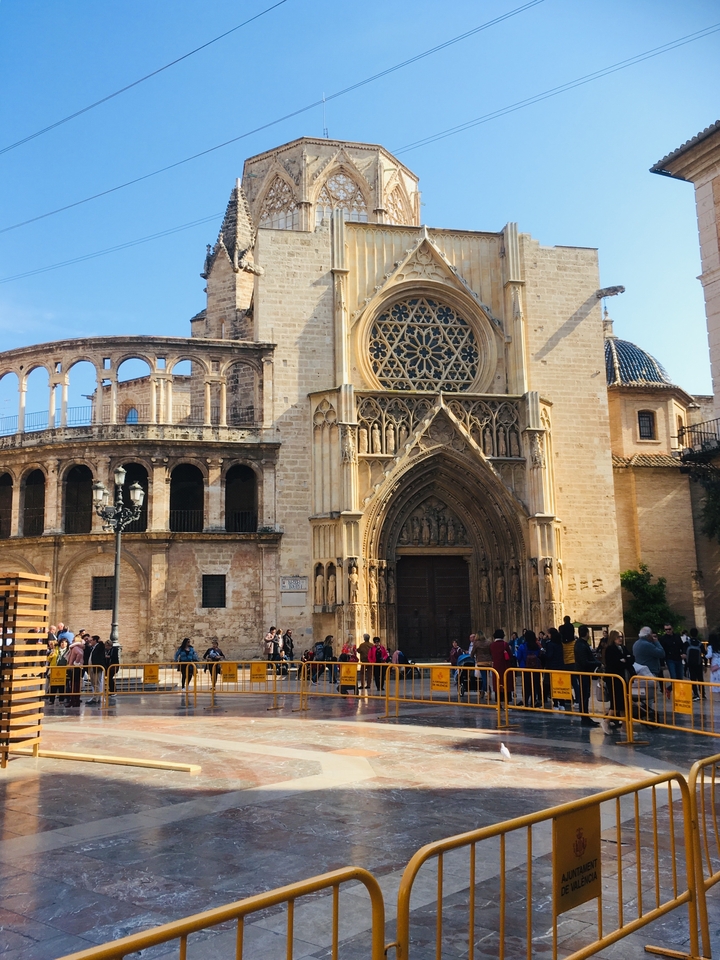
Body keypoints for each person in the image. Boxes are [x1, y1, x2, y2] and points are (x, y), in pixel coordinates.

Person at [574, 625, 601, 726]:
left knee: (585, 695)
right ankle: (584, 718)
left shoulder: (581, 644)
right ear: (587, 633)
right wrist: (597, 663)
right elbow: (584, 661)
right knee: (584, 695)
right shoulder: (581, 645)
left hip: (584, 672)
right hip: (582, 673)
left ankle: (585, 716)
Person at [601, 630, 627, 732]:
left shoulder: (623, 648)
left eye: (621, 637)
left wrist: (625, 660)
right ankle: (607, 721)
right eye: (618, 637)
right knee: (617, 702)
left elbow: (631, 658)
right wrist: (623, 661)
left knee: (622, 703)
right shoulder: (610, 649)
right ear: (613, 638)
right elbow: (615, 664)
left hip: (621, 678)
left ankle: (624, 726)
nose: (620, 639)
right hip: (614, 679)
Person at [490, 628, 513, 701]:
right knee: (506, 684)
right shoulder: (505, 644)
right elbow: (510, 655)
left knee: (497, 684)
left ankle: (498, 702)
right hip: (505, 666)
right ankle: (507, 702)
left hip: (496, 667)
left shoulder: (492, 645)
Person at [65, 634, 85, 707]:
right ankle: (76, 700)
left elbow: (79, 654)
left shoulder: (75, 648)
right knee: (76, 685)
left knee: (73, 685)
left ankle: (73, 700)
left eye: (73, 639)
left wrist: (76, 662)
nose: (72, 640)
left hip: (74, 668)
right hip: (77, 668)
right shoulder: (80, 647)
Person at [86, 635, 106, 705]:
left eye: (91, 640)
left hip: (97, 668)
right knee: (94, 683)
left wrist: (100, 641)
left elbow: (102, 646)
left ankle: (96, 698)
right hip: (92, 668)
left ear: (95, 640)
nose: (90, 642)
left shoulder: (99, 646)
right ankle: (96, 697)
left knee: (97, 683)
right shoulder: (93, 647)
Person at [472, 632, 493, 699]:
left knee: (484, 678)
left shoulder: (476, 643)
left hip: (481, 662)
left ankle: (487, 691)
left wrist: (472, 657)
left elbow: (472, 652)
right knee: (486, 677)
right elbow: (491, 651)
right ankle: (482, 692)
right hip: (489, 662)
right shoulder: (489, 642)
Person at [686, 628, 705, 700]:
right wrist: (705, 665)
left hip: (690, 664)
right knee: (700, 679)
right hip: (698, 664)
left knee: (693, 679)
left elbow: (684, 653)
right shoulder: (700, 644)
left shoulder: (687, 643)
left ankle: (696, 694)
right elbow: (704, 654)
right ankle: (702, 694)